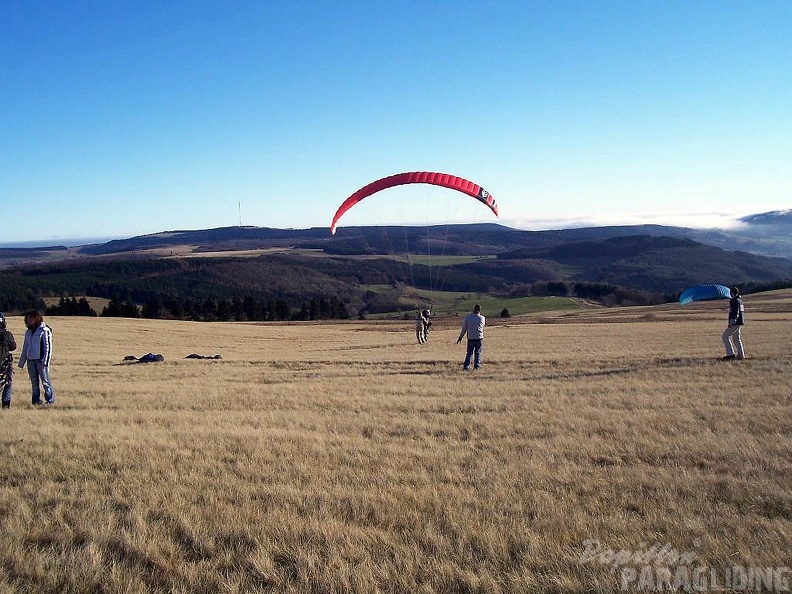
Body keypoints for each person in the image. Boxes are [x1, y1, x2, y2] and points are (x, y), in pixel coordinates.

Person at [18, 310, 54, 405]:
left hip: (41, 361)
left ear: (36, 318)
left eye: (31, 318)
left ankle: (50, 400)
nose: (28, 320)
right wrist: (21, 363)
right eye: (27, 318)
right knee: (34, 383)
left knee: (45, 382)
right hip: (30, 361)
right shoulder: (28, 332)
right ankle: (36, 401)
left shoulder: (44, 330)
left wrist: (45, 362)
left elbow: (47, 348)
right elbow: (25, 347)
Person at [457, 304, 485, 370]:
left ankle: (466, 366)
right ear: (479, 310)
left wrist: (460, 337)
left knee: (469, 353)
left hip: (471, 338)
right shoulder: (482, 318)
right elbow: (482, 325)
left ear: (474, 309)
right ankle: (477, 367)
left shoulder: (468, 317)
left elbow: (464, 328)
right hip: (479, 337)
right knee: (478, 353)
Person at [722, 287, 745, 360]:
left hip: (735, 322)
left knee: (725, 336)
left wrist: (732, 322)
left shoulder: (734, 301)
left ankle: (730, 354)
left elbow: (735, 313)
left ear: (732, 292)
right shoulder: (740, 301)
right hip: (740, 322)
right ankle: (741, 355)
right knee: (736, 338)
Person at [0, 313, 17, 409]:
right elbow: (13, 347)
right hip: (3, 366)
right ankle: (6, 406)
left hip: (3, 365)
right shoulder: (7, 334)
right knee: (8, 384)